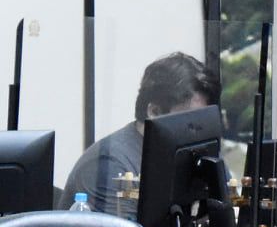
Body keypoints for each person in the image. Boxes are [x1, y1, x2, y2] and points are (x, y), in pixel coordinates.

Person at [62, 52, 217, 217]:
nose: (197, 128)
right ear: (154, 111)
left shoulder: (187, 154)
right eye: (188, 118)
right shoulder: (109, 164)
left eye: (202, 118)